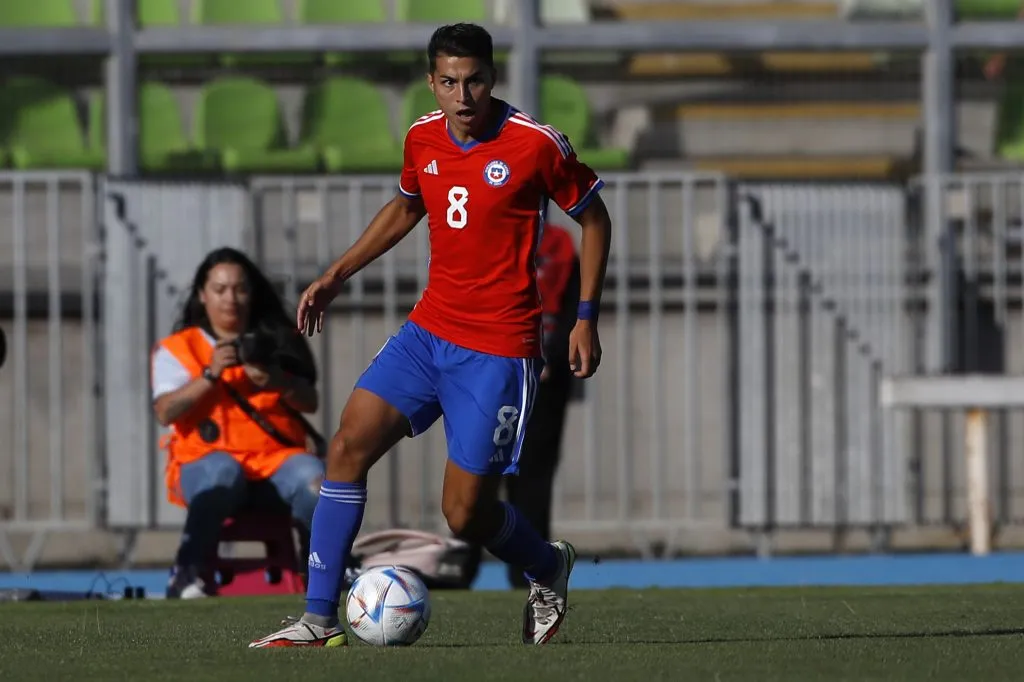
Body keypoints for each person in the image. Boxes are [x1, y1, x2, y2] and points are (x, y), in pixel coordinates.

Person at [249, 22, 612, 648]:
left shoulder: (535, 145)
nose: (462, 95)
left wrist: (585, 316)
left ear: (492, 78)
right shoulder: (422, 135)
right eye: (449, 82)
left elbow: (595, 217)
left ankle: (548, 566)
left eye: (474, 81)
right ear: (432, 82)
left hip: (499, 349)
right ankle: (318, 618)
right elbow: (407, 205)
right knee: (346, 447)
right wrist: (336, 273)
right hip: (428, 331)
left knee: (465, 513)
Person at [152, 247, 323, 599]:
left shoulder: (277, 340)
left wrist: (277, 380)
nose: (230, 299)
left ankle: (322, 573)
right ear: (202, 294)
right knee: (222, 472)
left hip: (274, 464)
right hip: (205, 466)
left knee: (315, 481)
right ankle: (187, 573)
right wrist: (209, 375)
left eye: (240, 289)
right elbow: (165, 412)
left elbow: (311, 402)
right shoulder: (178, 348)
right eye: (219, 289)